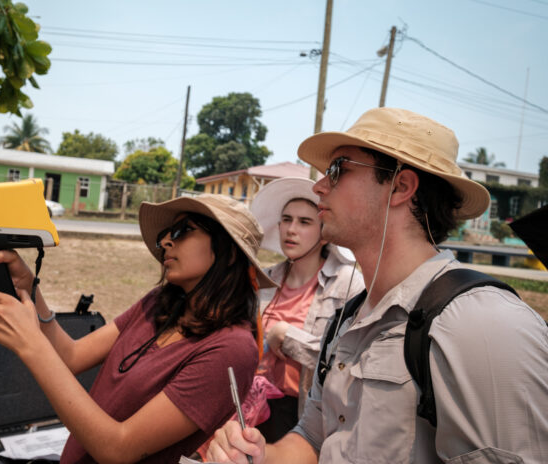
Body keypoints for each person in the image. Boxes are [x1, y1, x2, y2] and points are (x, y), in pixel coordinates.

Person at [207, 107, 548, 464]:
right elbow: (314, 438)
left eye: (338, 169)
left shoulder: (481, 322)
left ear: (401, 187)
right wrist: (257, 455)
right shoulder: (347, 318)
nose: (319, 186)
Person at [0, 194, 277, 463]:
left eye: (183, 231)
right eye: (167, 233)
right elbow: (72, 355)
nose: (165, 241)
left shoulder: (231, 349)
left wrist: (30, 345)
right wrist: (28, 288)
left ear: (229, 253)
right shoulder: (160, 303)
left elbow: (118, 448)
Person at [248, 177, 364, 442]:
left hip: (305, 415)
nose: (291, 229)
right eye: (286, 220)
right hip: (253, 407)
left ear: (325, 233)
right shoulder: (262, 281)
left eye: (304, 222)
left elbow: (348, 359)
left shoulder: (348, 285)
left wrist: (286, 336)